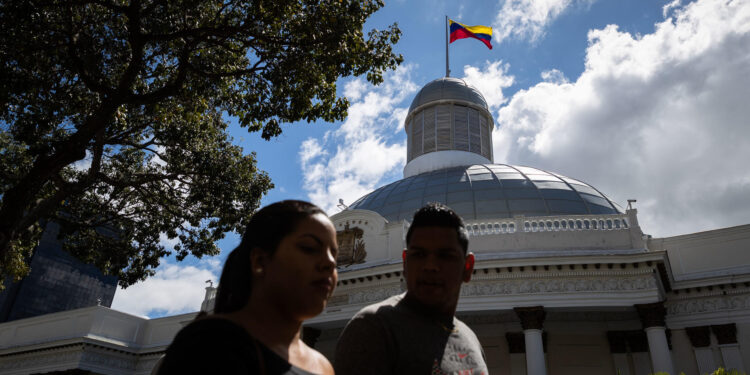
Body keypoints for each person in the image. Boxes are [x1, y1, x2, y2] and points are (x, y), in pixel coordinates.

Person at [158, 200, 338, 375]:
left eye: (334, 255)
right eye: (309, 248)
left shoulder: (322, 366)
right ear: (259, 260)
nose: (330, 262)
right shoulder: (212, 343)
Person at [334, 202, 488, 375]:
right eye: (419, 255)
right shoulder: (373, 329)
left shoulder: (470, 338)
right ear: (405, 263)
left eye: (445, 256)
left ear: (467, 267)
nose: (430, 266)